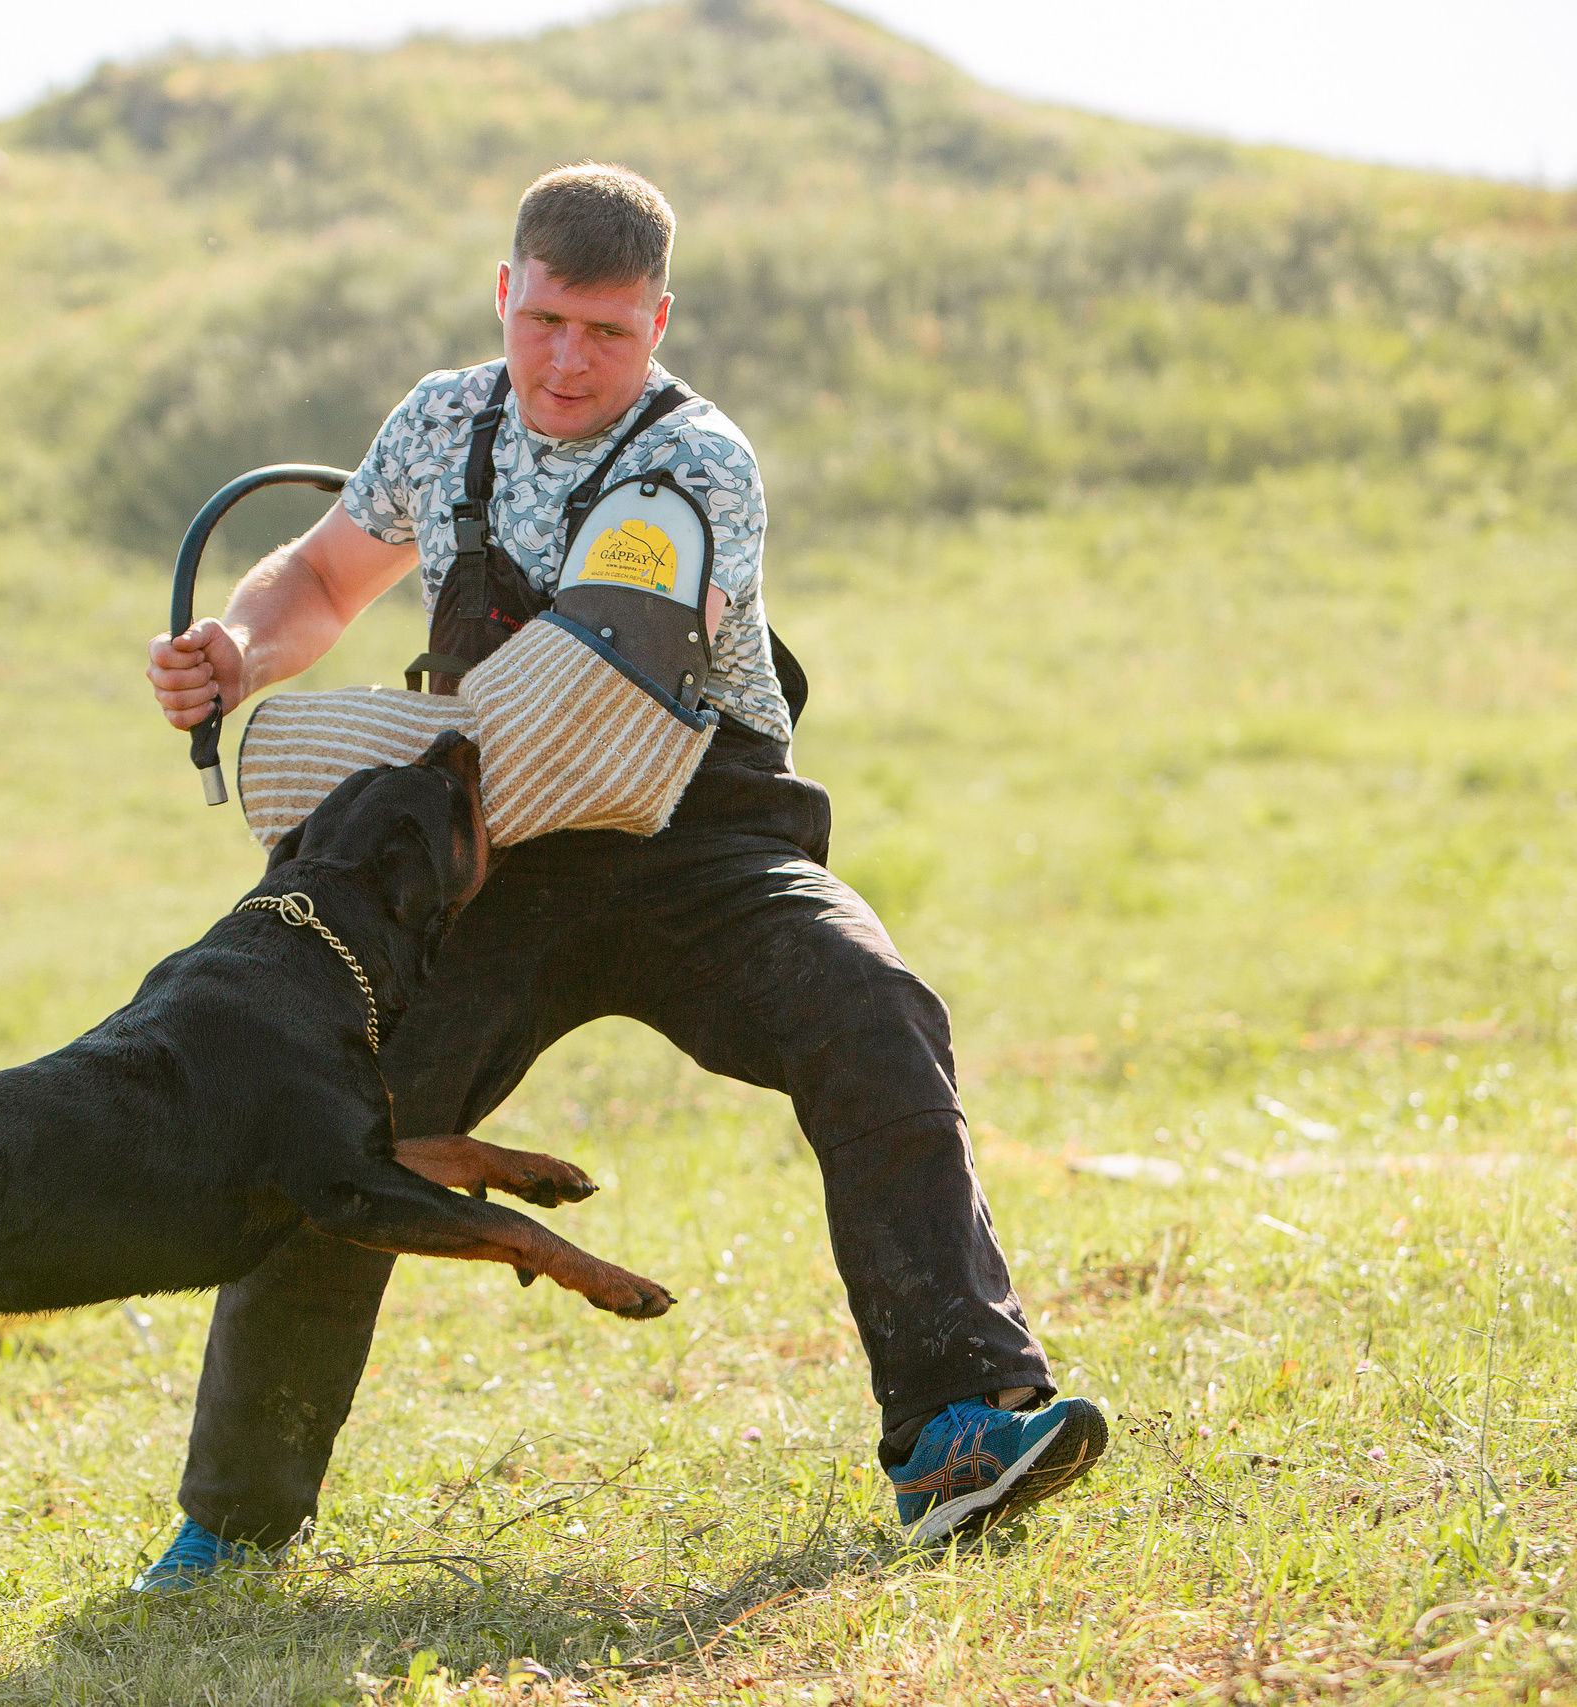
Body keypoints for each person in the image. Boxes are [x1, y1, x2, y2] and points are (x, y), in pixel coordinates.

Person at [139, 163, 1103, 1583]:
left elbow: (581, 714)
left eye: (606, 332)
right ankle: (234, 1524)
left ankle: (961, 1426)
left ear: (659, 320)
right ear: (504, 293)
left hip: (692, 835)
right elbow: (327, 579)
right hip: (486, 860)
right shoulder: (440, 420)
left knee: (872, 1008)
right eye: (544, 322)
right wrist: (239, 648)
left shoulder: (696, 463)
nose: (568, 361)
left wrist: (340, 767)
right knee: (341, 1117)